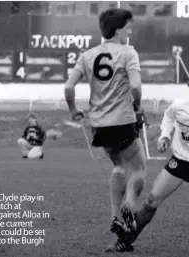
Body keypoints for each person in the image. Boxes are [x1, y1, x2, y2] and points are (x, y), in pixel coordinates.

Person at [115, 71, 189, 255]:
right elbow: (168, 117)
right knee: (151, 199)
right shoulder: (179, 106)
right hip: (180, 161)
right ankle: (127, 239)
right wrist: (165, 135)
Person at [64, 8, 146, 252]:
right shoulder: (128, 52)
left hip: (98, 125)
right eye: (129, 27)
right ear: (118, 29)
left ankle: (115, 217)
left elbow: (69, 87)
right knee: (139, 170)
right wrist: (138, 105)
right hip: (123, 121)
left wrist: (72, 110)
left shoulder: (87, 55)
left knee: (119, 166)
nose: (130, 31)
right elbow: (136, 85)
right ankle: (129, 207)